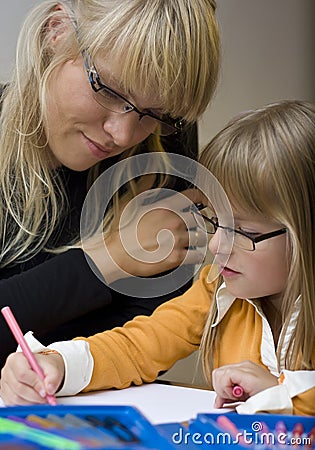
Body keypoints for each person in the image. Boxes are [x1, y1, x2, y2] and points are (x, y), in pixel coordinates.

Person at [3, 100, 314, 416]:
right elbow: (137, 348)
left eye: (244, 231)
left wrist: (285, 397)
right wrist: (58, 364)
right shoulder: (214, 290)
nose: (216, 244)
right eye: (216, 222)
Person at [0, 0, 220, 366]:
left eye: (155, 114)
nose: (122, 135)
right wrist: (110, 259)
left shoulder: (163, 156)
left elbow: (143, 347)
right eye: (110, 91)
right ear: (57, 31)